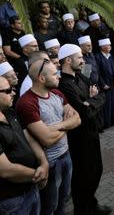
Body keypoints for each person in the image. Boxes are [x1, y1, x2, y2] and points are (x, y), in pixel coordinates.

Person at [16, 59, 80, 215]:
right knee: (49, 206)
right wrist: (66, 124)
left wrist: (56, 126)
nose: (58, 76)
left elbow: (77, 119)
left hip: (66, 155)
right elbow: (46, 139)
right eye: (54, 73)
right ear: (41, 78)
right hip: (50, 162)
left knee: (63, 200)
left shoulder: (57, 93)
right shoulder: (27, 102)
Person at [57, 44, 110, 215]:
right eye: (79, 57)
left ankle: (91, 204)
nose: (83, 60)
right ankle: (83, 209)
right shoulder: (64, 85)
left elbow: (101, 94)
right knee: (83, 175)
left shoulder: (82, 75)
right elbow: (83, 111)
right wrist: (90, 101)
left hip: (92, 131)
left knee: (96, 170)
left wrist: (91, 100)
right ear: (67, 60)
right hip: (78, 137)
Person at [0, 76, 49, 215]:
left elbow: (29, 138)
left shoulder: (9, 112)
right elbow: (5, 170)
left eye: (13, 89)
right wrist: (39, 174)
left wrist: (44, 162)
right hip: (12, 199)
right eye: (8, 90)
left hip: (31, 187)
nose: (14, 93)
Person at [95, 38, 114, 128]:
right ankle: (108, 122)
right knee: (107, 104)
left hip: (112, 82)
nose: (109, 47)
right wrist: (103, 84)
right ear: (102, 47)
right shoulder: (98, 57)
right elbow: (98, 72)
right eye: (107, 46)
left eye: (110, 45)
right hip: (105, 84)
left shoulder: (110, 56)